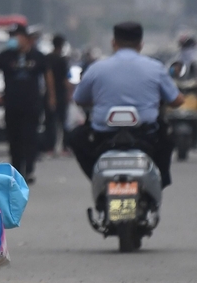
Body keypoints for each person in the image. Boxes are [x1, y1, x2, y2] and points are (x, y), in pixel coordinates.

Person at [68, 22, 184, 188]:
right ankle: (159, 182)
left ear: (114, 43)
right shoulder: (155, 68)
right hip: (146, 136)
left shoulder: (96, 68)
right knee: (168, 138)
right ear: (141, 44)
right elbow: (177, 100)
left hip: (103, 137)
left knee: (74, 137)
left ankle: (97, 177)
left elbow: (79, 98)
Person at [0, 24, 52, 183]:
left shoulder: (37, 56)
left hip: (32, 104)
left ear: (26, 38)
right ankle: (17, 170)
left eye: (17, 36)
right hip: (12, 104)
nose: (14, 40)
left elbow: (48, 76)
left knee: (30, 137)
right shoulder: (5, 56)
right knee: (14, 139)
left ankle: (29, 169)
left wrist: (50, 97)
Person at [40, 34, 74, 154]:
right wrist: (70, 92)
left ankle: (50, 147)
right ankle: (65, 147)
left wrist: (50, 94)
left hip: (49, 94)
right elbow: (64, 79)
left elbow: (46, 78)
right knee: (63, 121)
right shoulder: (62, 60)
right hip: (60, 94)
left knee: (50, 122)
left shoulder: (47, 58)